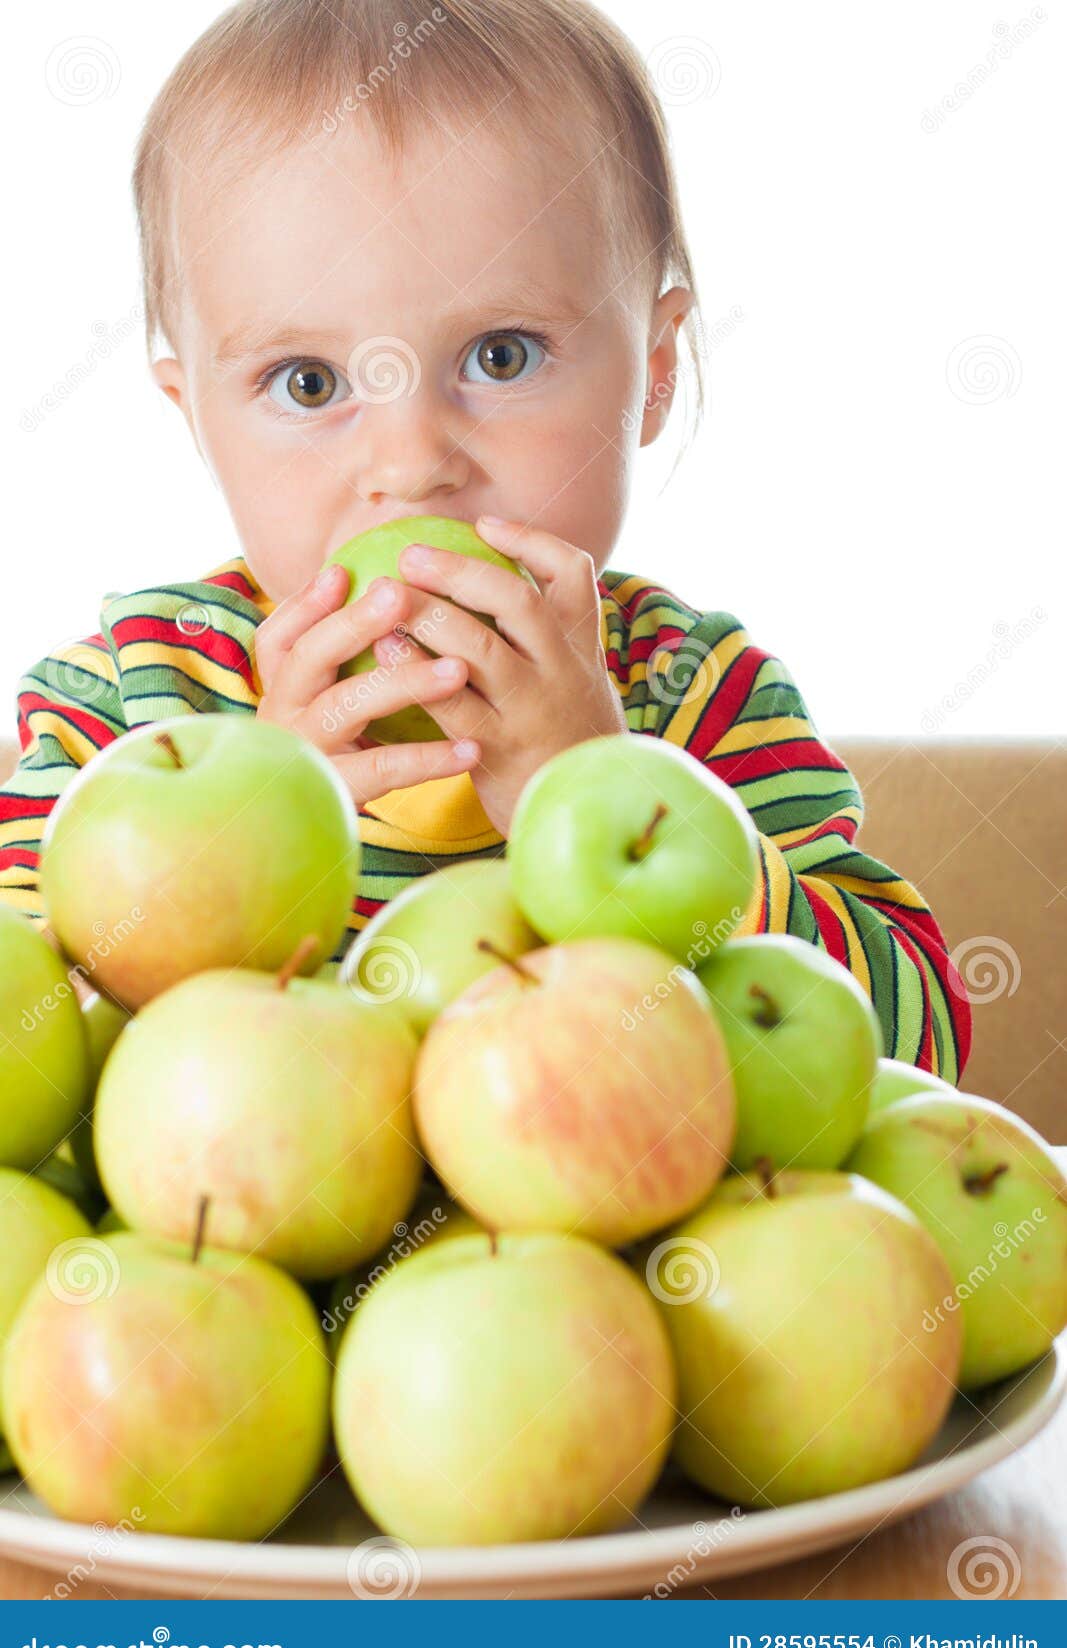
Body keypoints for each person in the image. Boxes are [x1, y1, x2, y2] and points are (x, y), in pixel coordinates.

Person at [0, 0, 970, 1081]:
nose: (412, 463)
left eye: (501, 356)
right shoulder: (132, 706)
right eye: (308, 382)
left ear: (652, 373)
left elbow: (911, 1045)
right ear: (196, 420)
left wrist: (608, 796)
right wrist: (224, 861)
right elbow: (28, 1064)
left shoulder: (693, 697)